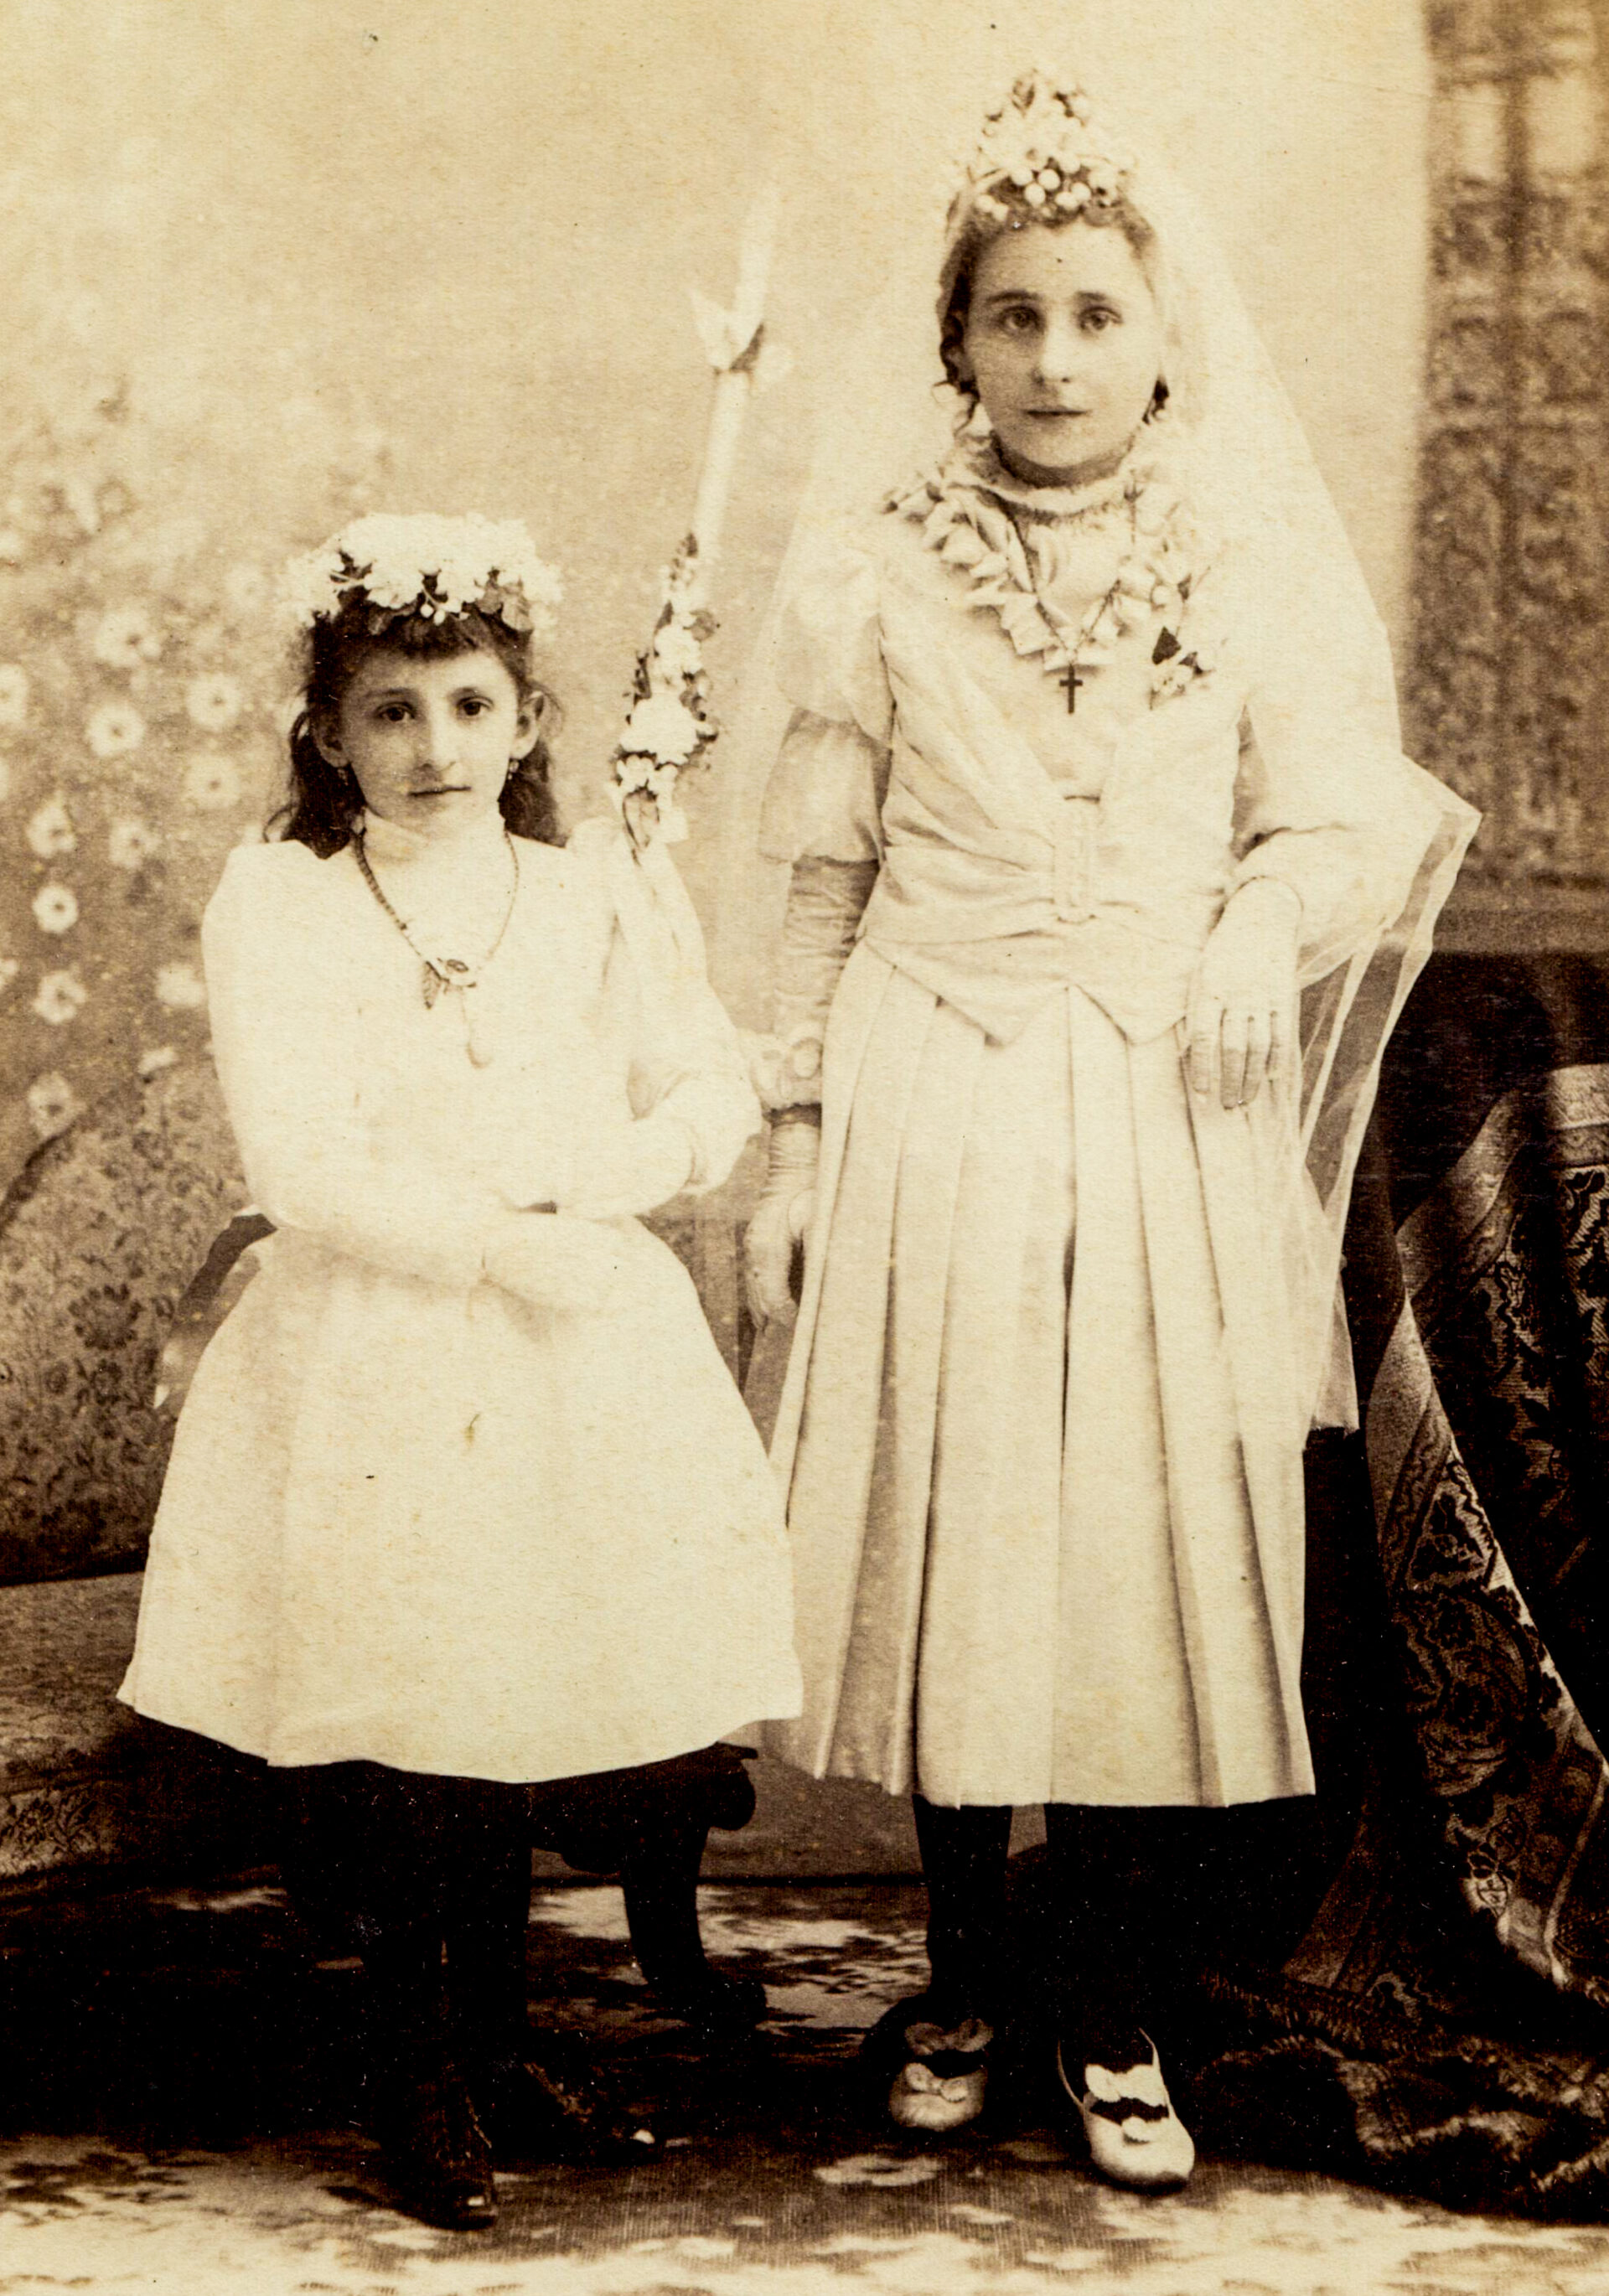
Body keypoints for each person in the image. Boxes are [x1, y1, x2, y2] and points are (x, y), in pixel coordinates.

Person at [739, 74, 1475, 2190]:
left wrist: (1255, 920)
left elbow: (1338, 816)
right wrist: (793, 1133)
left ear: (1164, 338)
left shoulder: (1240, 553)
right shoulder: (878, 571)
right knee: (964, 1520)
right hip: (935, 1065)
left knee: (1143, 1533)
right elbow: (820, 871)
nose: (1056, 359)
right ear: (955, 343)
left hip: (1166, 1082)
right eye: (1012, 317)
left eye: (1094, 315)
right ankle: (973, 1969)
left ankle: (1115, 1989)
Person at [119, 514, 801, 2230]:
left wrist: (603, 1187)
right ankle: (417, 2065)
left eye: (470, 705)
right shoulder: (284, 902)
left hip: (578, 1331)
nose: (435, 747)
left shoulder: (589, 894)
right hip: (377, 1337)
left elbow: (707, 1091)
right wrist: (493, 1239)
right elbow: (303, 1157)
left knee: (524, 1695)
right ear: (331, 734)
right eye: (393, 709)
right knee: (421, 1705)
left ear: (525, 720)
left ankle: (500, 2045)